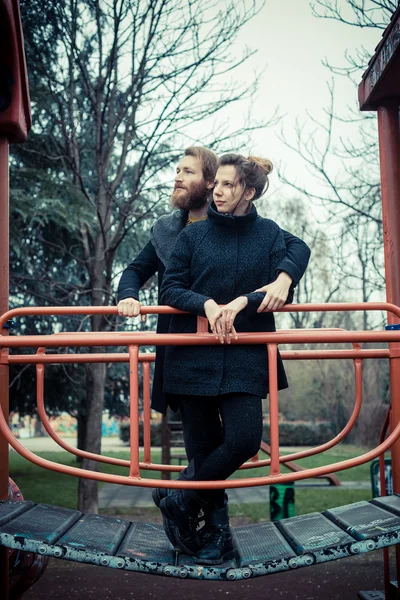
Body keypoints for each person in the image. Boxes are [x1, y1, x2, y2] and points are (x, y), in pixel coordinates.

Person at [117, 147, 310, 557]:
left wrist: (279, 281)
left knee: (243, 440)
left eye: (227, 184)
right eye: (217, 183)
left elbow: (299, 252)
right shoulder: (186, 233)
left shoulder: (270, 233)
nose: (218, 191)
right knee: (203, 452)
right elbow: (165, 284)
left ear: (248, 192)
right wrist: (202, 303)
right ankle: (214, 539)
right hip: (191, 358)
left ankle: (180, 500)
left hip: (243, 356)